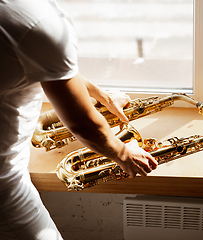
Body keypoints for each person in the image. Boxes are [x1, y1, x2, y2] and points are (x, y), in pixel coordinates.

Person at [0, 0, 157, 239]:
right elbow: (82, 123)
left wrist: (98, 94)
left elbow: (38, 60)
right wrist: (123, 154)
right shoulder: (43, 22)